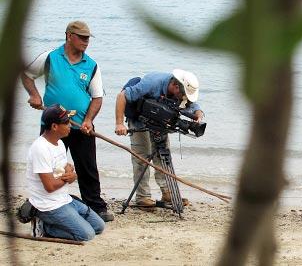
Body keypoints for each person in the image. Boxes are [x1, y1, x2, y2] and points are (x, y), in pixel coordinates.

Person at [21, 20, 114, 222]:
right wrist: (35, 95)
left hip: (81, 126)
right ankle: (39, 204)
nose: (86, 41)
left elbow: (97, 97)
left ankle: (95, 206)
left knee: (87, 167)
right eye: (81, 37)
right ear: (69, 36)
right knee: (49, 166)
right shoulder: (50, 58)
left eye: (88, 38)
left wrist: (89, 120)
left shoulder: (91, 65)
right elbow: (27, 75)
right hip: (54, 127)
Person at [114, 69, 204, 208]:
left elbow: (192, 105)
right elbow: (122, 96)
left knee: (163, 157)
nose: (183, 99)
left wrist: (198, 115)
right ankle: (142, 197)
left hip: (160, 123)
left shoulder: (180, 91)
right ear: (175, 86)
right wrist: (119, 123)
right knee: (141, 158)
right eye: (183, 96)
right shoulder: (152, 83)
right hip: (139, 120)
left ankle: (168, 193)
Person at [26, 104, 105, 241]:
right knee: (86, 235)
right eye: (66, 122)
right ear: (54, 126)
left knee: (99, 226)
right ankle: (43, 226)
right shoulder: (40, 148)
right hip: (48, 205)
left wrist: (71, 173)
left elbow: (66, 168)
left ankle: (62, 222)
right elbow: (49, 186)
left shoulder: (59, 143)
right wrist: (68, 178)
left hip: (64, 199)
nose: (70, 125)